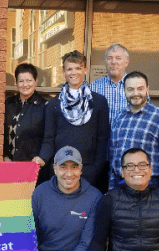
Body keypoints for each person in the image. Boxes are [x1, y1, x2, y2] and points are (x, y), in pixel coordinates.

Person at [5, 146, 103, 251]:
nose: (69, 173)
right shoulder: (40, 192)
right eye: (63, 167)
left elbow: (86, 243)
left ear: (81, 169)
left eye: (74, 167)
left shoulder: (94, 197)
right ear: (55, 169)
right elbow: (29, 229)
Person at [39, 50, 110, 190]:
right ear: (63, 71)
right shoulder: (53, 104)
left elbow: (103, 139)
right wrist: (42, 159)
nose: (74, 72)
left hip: (88, 171)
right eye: (69, 69)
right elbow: (48, 139)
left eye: (78, 68)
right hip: (60, 171)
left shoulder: (99, 102)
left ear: (85, 69)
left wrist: (96, 169)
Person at [108, 71, 159, 195]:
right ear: (124, 91)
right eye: (130, 89)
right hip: (121, 184)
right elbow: (113, 156)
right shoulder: (119, 117)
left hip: (150, 186)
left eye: (140, 89)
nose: (135, 94)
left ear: (147, 90)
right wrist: (112, 187)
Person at [4, 63, 50, 185]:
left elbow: (49, 137)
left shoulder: (44, 106)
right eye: (21, 81)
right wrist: (4, 155)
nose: (25, 85)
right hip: (9, 167)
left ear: (36, 81)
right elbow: (2, 133)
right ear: (16, 83)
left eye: (29, 80)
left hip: (33, 168)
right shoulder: (8, 104)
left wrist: (42, 157)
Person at [88, 44, 131, 124]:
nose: (113, 62)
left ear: (126, 62)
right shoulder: (94, 87)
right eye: (109, 58)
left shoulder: (136, 87)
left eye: (118, 58)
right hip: (101, 136)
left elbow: (144, 115)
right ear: (105, 62)